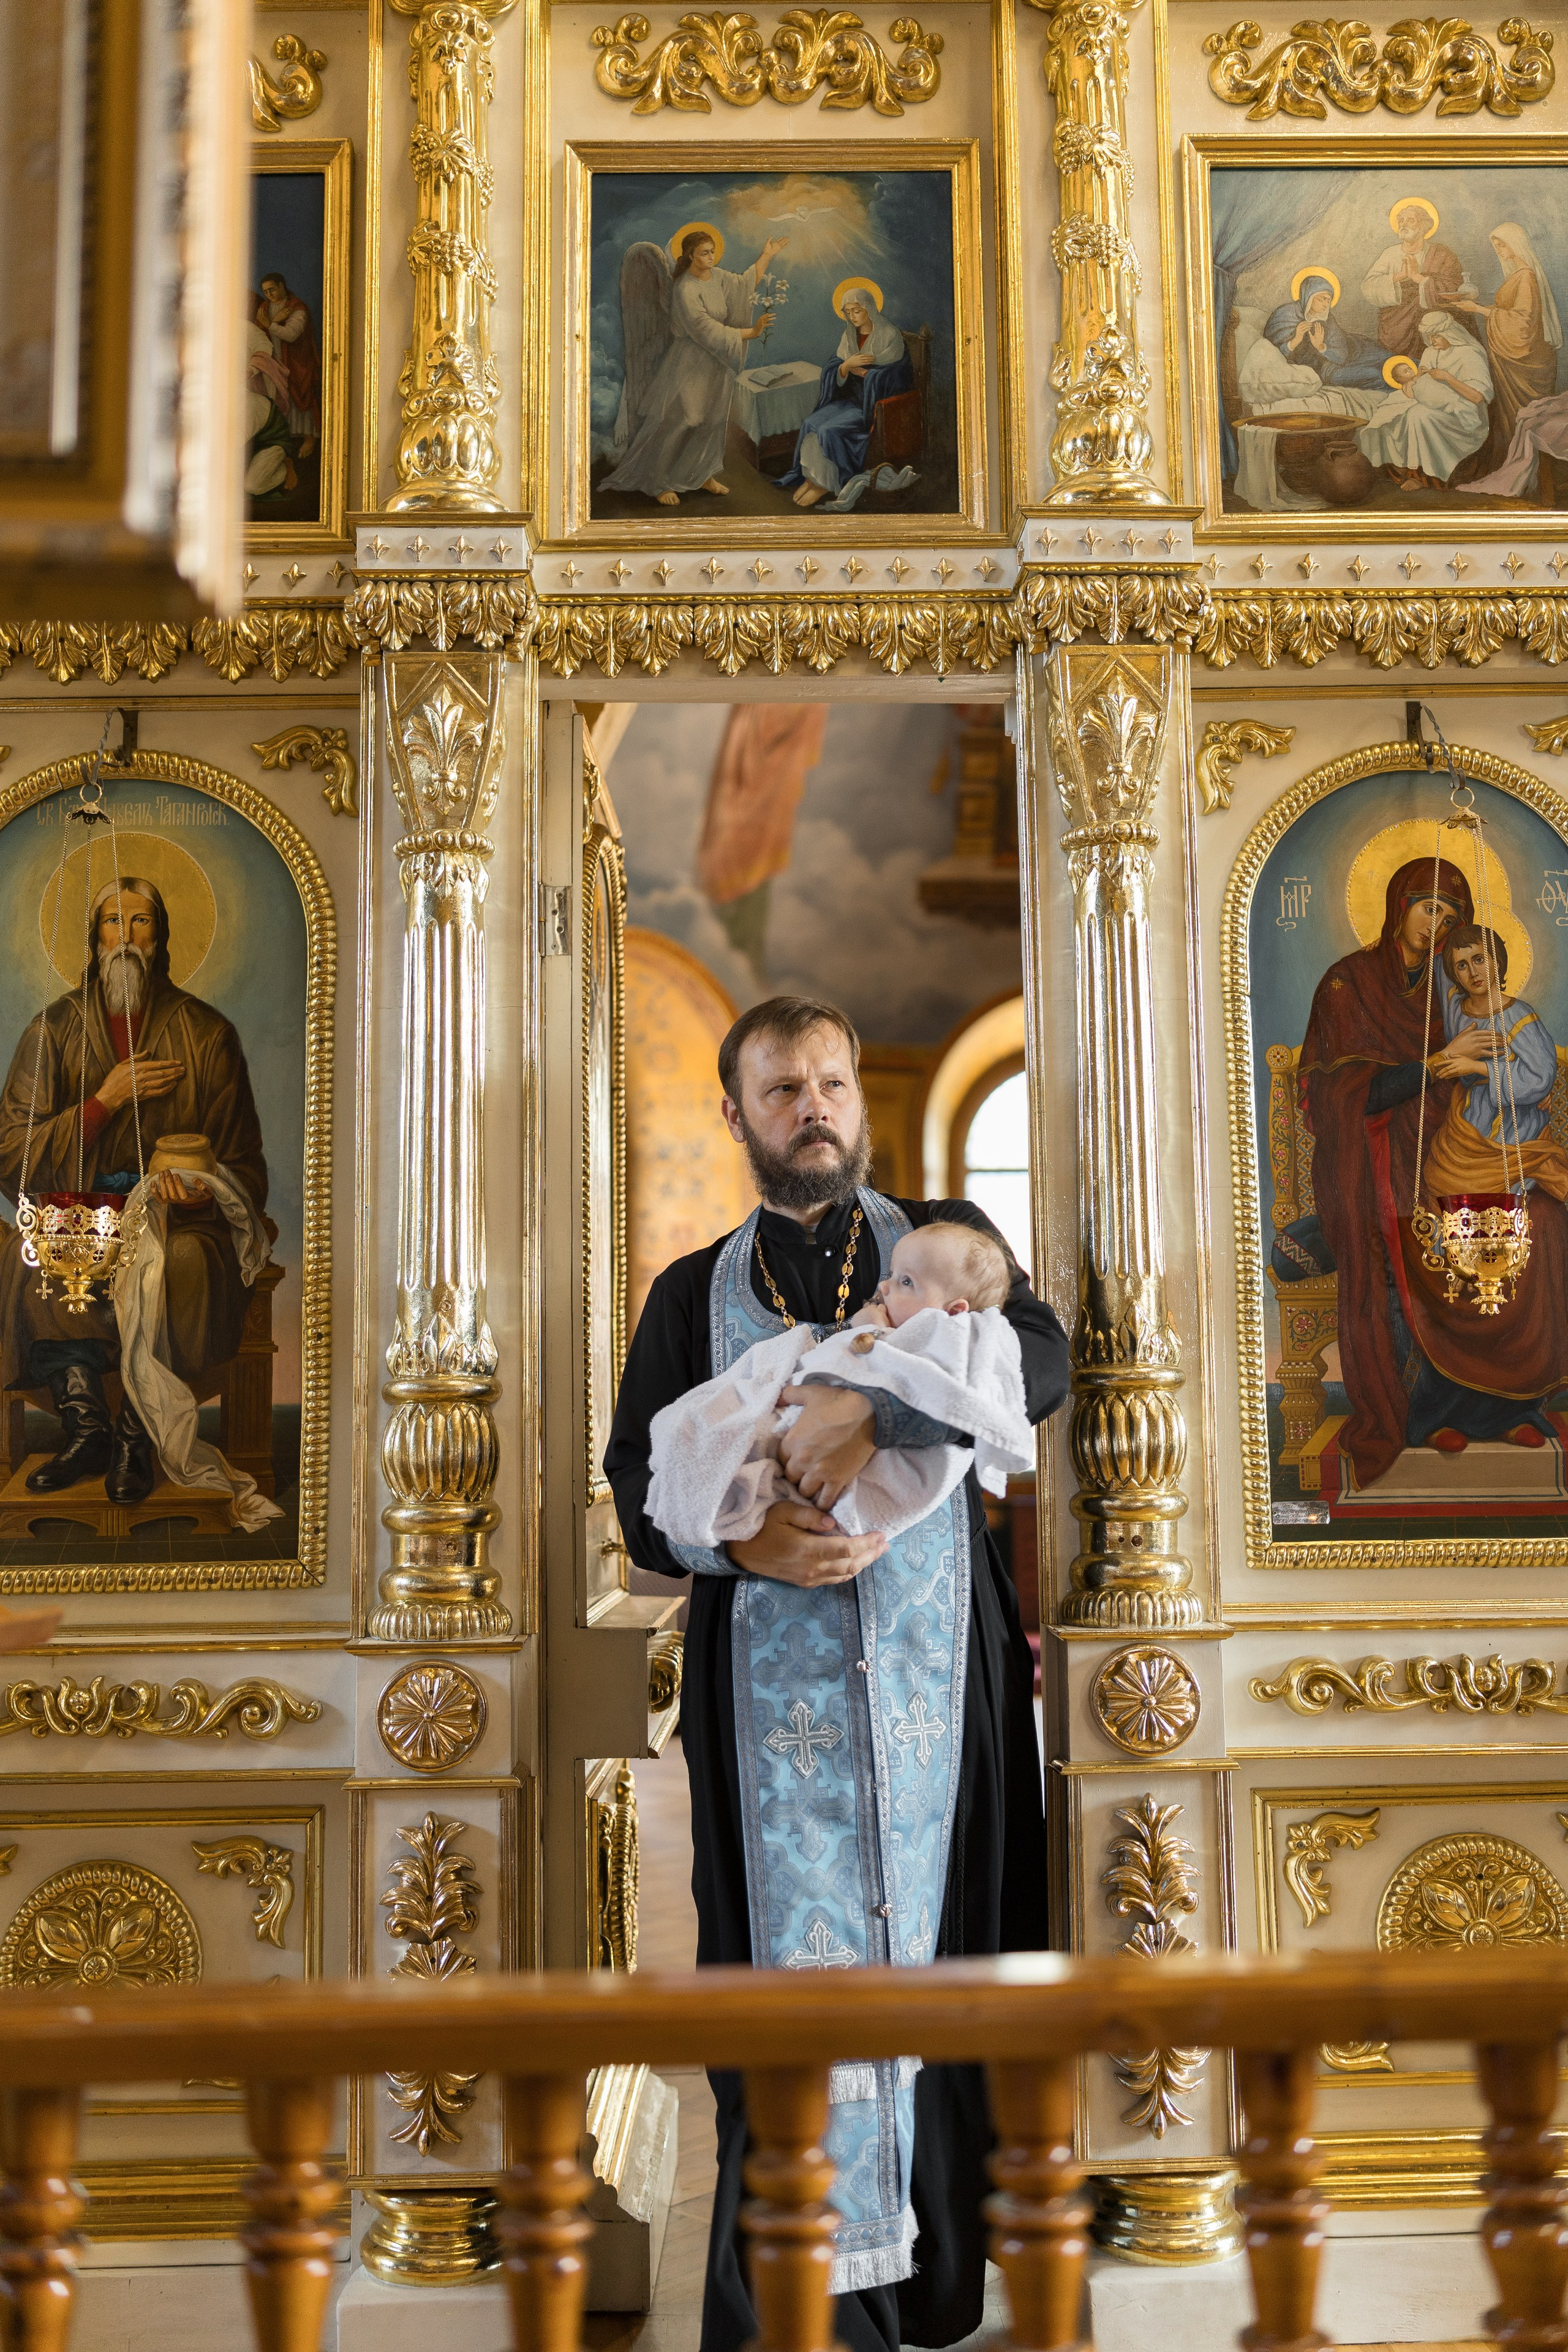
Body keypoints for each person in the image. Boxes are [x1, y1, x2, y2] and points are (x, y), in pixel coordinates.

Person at [605, 995, 1069, 2352]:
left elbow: (1039, 1358)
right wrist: (743, 1541)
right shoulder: (692, 1293)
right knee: (773, 1985)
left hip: (939, 1681)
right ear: (738, 1115)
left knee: (946, 1960)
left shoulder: (941, 1248)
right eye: (781, 1090)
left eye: (831, 1084)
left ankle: (926, 2284)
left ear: (858, 1099)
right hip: (764, 1703)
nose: (812, 1108)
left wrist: (876, 1406)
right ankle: (795, 2311)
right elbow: (637, 1483)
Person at [0, 878, 269, 1507]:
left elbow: (244, 1164)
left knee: (182, 1262)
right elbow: (12, 1151)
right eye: (112, 922)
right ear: (94, 938)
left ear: (161, 936)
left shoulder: (207, 1034)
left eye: (141, 921)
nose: (126, 936)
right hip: (77, 1212)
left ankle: (135, 1436)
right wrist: (104, 1102)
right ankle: (86, 1429)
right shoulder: (52, 1030)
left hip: (179, 1221)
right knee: (32, 1258)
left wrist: (201, 1192)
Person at [1297, 860, 1568, 1483]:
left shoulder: (1450, 990)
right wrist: (1441, 1064)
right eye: (1428, 909)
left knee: (1542, 1223)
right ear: (1399, 906)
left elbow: (1520, 1070)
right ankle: (1426, 1414)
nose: (1437, 926)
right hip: (1375, 1154)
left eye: (1450, 916)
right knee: (1411, 1235)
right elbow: (1339, 1095)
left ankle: (1505, 1406)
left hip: (1460, 1143)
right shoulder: (1349, 983)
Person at [645, 1222, 1031, 1547]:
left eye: (906, 1282)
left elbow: (950, 1384)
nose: (885, 1287)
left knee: (725, 1444)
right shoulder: (687, 1284)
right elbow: (632, 1470)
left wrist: (874, 1402)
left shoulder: (951, 1328)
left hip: (879, 1510)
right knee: (704, 1433)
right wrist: (739, 1551)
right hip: (746, 1586)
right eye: (894, 1276)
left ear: (955, 1311)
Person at [602, 229, 787, 507]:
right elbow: (704, 329)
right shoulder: (684, 289)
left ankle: (701, 474)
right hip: (689, 364)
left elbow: (745, 284)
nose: (711, 257)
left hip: (716, 364)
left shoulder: (718, 277)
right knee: (683, 421)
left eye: (713, 251)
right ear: (690, 256)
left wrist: (767, 256)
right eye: (704, 253)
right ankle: (659, 482)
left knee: (713, 421)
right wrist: (751, 333)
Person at [1422, 921, 1568, 1223]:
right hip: (1467, 1120)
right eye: (1462, 966)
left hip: (1513, 1123)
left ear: (1496, 961)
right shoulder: (1457, 1010)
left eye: (1479, 959)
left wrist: (1479, 1067)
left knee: (1487, 1189)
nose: (1473, 972)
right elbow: (1440, 967)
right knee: (1440, 1176)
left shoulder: (1519, 1016)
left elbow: (1541, 1077)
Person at [780, 284, 913, 510]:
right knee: (810, 423)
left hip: (870, 404)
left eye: (857, 311)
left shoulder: (890, 335)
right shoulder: (850, 334)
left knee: (827, 430)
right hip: (850, 400)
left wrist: (866, 375)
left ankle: (826, 484)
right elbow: (837, 365)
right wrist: (846, 366)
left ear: (870, 308)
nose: (852, 317)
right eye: (848, 312)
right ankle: (813, 478)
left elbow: (898, 376)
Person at [1450, 224, 1562, 469]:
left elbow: (1523, 324)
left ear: (1516, 244)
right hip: (1514, 361)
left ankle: (1528, 468)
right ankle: (1519, 465)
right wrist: (1477, 308)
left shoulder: (1526, 276)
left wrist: (1479, 310)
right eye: (1496, 246)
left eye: (1503, 245)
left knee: (1527, 420)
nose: (1499, 250)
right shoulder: (1518, 274)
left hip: (1526, 361)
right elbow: (1508, 311)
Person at [1355, 312, 1491, 490]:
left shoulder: (1469, 354)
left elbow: (1478, 397)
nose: (1431, 340)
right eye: (1428, 335)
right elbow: (1422, 385)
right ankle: (1401, 467)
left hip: (1463, 414)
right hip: (1432, 403)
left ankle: (1424, 477)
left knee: (1418, 415)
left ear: (1449, 332)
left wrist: (1447, 378)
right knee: (1390, 413)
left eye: (1436, 335)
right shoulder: (1430, 352)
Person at [1360, 201, 1472, 362]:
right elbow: (1368, 286)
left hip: (1433, 322)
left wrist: (1417, 278)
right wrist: (1400, 275)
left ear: (1423, 226)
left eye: (1410, 220)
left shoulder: (1441, 254)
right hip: (1396, 325)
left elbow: (1455, 286)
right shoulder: (1390, 254)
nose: (1404, 225)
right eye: (1401, 221)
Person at [1263, 270, 1389, 391]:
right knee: (1375, 374)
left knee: (1384, 357)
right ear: (1309, 297)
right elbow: (1271, 353)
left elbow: (1341, 353)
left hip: (1352, 350)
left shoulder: (1328, 319)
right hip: (1325, 370)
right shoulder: (1286, 314)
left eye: (1328, 300)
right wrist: (1296, 340)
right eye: (1321, 299)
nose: (1326, 304)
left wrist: (1321, 347)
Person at [255, 273, 320, 458]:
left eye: (272, 290)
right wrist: (273, 322)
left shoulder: (297, 308)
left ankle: (309, 438)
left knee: (301, 396)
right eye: (266, 292)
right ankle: (282, 439)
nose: (269, 295)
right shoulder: (265, 308)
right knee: (277, 398)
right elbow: (259, 332)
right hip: (274, 361)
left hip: (297, 362)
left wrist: (271, 325)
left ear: (282, 286)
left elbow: (291, 335)